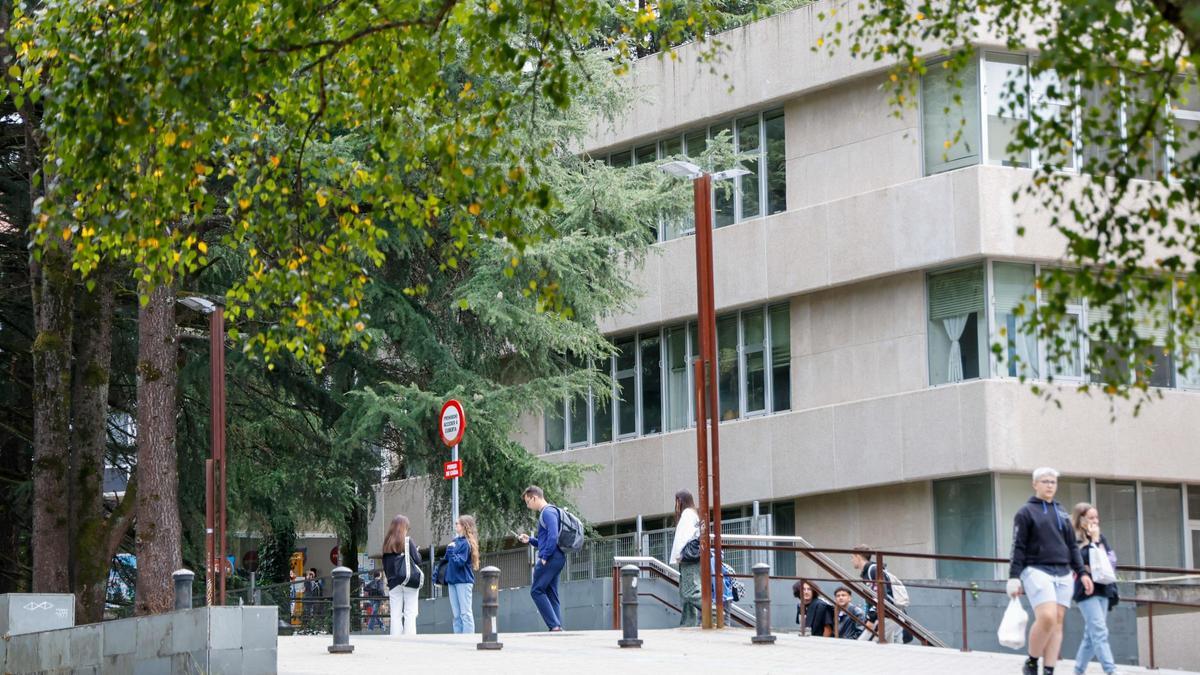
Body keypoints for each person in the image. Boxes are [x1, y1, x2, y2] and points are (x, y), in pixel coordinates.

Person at [1008, 467, 1093, 675]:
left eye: (1053, 482)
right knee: (1047, 616)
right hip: (1036, 569)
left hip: (1063, 572)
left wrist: (1082, 573)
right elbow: (1017, 546)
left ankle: (1049, 669)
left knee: (1057, 621)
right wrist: (1014, 577)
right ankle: (1031, 662)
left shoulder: (1062, 512)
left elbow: (1073, 546)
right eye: (1045, 481)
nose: (1049, 485)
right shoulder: (1025, 512)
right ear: (1035, 484)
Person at [1070, 503, 1118, 675]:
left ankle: (1078, 671)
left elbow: (1110, 560)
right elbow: (1079, 561)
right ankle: (1111, 671)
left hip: (1103, 587)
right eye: (1091, 518)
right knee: (1099, 631)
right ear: (1081, 520)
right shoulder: (1074, 539)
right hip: (1086, 590)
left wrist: (1096, 543)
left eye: (1096, 517)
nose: (1095, 521)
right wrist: (1094, 542)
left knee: (1091, 636)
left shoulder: (1101, 537)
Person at [517, 485, 566, 631]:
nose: (528, 505)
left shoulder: (547, 513)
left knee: (536, 591)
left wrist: (544, 557)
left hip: (551, 558)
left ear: (534, 497)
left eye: (528, 501)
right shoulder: (551, 511)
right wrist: (530, 540)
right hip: (557, 557)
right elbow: (546, 541)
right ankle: (557, 626)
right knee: (551, 593)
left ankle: (554, 626)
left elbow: (553, 536)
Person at [850, 544, 909, 643]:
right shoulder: (869, 571)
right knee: (889, 650)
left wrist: (871, 618)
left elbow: (881, 596)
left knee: (864, 645)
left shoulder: (872, 570)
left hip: (887, 615)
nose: (851, 561)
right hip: (889, 614)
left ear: (858, 556)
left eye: (852, 557)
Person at [382, 514, 423, 636]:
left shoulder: (387, 543)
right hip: (408, 579)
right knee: (410, 612)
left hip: (393, 582)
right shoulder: (407, 541)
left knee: (395, 614)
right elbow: (418, 560)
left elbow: (386, 564)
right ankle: (409, 640)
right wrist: (416, 550)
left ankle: (395, 640)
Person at [668, 489, 702, 627]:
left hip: (688, 559)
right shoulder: (693, 513)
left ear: (680, 501)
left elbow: (683, 537)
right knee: (687, 593)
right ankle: (688, 623)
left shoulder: (687, 514)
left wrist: (678, 555)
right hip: (692, 558)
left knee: (690, 593)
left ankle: (714, 612)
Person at [444, 514, 481, 634]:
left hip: (463, 581)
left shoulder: (466, 543)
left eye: (457, 523)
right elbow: (448, 561)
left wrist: (450, 552)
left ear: (464, 526)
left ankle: (468, 639)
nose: (455, 525)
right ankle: (458, 639)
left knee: (465, 613)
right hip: (453, 581)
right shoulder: (455, 541)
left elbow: (460, 562)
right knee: (456, 615)